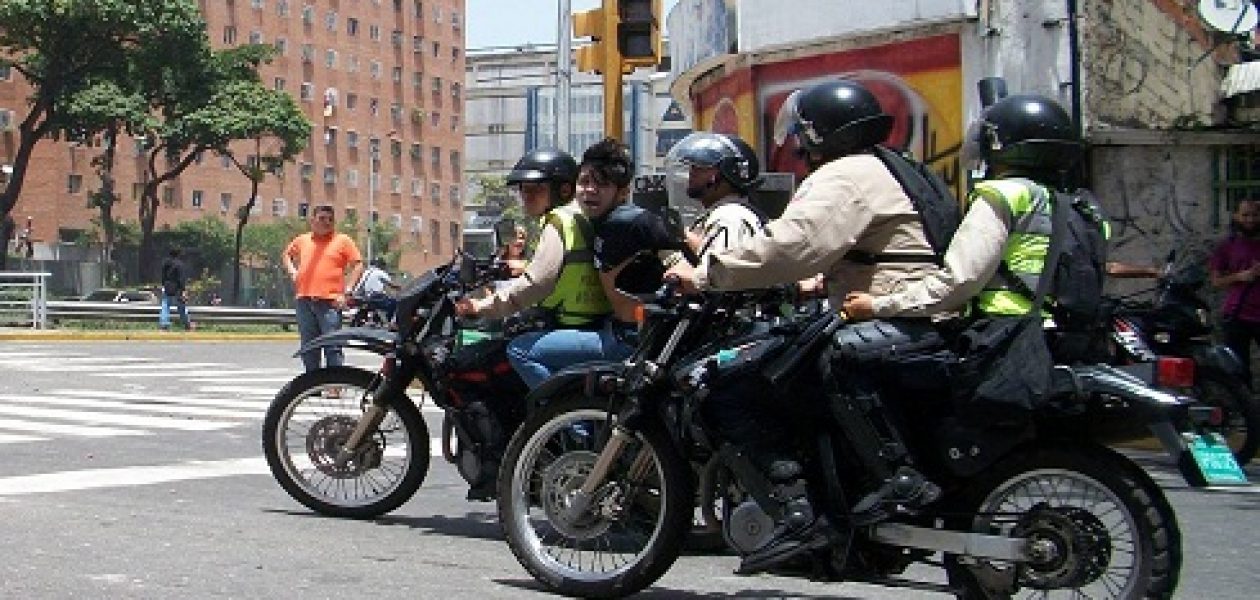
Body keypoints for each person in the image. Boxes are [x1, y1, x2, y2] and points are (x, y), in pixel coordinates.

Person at [666, 80, 951, 574]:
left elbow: (791, 246)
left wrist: (706, 275)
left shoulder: (847, 175)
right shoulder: (897, 166)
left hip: (888, 314)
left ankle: (799, 513)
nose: (799, 144)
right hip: (913, 312)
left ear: (818, 133)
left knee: (732, 387)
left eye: (802, 134)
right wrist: (817, 283)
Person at [842, 93, 1094, 325]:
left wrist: (878, 306)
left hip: (1007, 338)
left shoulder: (1003, 195)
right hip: (1066, 336)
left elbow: (960, 280)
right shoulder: (1082, 206)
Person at [454, 148, 615, 389]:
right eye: (523, 189)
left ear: (563, 189)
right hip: (592, 322)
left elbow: (536, 284)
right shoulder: (580, 217)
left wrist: (482, 306)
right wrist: (524, 266)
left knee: (518, 350)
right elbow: (568, 266)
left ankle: (562, 422)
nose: (527, 196)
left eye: (536, 188)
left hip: (571, 324)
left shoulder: (557, 222)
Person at [283, 205, 364, 372]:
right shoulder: (303, 240)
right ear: (312, 221)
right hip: (304, 300)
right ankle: (312, 384)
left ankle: (334, 384)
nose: (326, 223)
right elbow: (287, 255)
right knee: (309, 346)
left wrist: (347, 291)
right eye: (322, 219)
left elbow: (358, 265)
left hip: (330, 302)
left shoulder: (342, 240)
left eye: (330, 220)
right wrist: (292, 271)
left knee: (332, 345)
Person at [663, 132, 766, 260]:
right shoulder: (717, 214)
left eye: (702, 166)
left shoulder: (730, 217)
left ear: (730, 172)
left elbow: (719, 271)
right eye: (692, 166)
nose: (692, 172)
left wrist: (681, 235)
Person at [1210, 198, 1260, 388]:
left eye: (1255, 215)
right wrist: (1241, 276)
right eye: (1245, 215)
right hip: (1238, 315)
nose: (1250, 220)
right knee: (1239, 369)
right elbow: (1216, 281)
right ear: (1236, 216)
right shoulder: (1227, 246)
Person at [159, 247, 193, 331]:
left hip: (167, 286)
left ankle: (164, 324)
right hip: (177, 288)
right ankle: (186, 324)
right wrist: (183, 290)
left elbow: (163, 277)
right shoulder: (179, 264)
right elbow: (181, 279)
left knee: (165, 306)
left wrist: (163, 285)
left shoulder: (165, 264)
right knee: (181, 307)